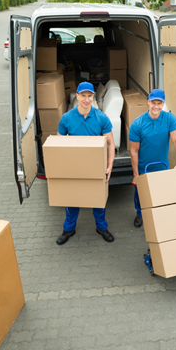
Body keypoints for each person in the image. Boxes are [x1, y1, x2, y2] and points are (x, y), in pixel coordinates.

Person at [56, 82, 115, 245]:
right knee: (72, 200)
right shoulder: (66, 118)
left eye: (90, 96)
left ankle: (101, 227)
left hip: (96, 166)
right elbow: (58, 145)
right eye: (83, 95)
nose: (86, 99)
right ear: (77, 96)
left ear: (93, 97)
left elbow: (111, 143)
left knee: (98, 200)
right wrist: (61, 169)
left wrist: (109, 166)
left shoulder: (102, 117)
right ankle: (69, 229)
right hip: (74, 167)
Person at [129, 89, 176, 228]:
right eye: (153, 103)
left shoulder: (170, 119)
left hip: (162, 166)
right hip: (143, 168)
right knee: (140, 194)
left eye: (159, 103)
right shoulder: (138, 123)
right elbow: (134, 151)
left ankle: (158, 214)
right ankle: (139, 213)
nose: (156, 106)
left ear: (163, 103)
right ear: (148, 102)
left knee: (161, 194)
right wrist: (136, 174)